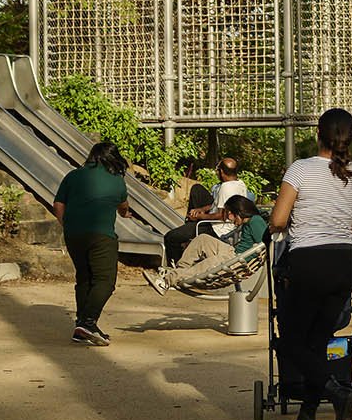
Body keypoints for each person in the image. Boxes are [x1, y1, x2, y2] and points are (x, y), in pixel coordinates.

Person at [268, 108, 352, 420]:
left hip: (308, 261)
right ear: (350, 139)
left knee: (291, 342)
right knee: (316, 344)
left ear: (318, 134)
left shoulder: (301, 170)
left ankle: (338, 392)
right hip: (341, 263)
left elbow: (279, 220)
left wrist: (279, 224)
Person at [54, 141, 134, 346]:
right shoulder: (116, 180)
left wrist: (67, 225)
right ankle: (88, 322)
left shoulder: (73, 175)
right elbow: (123, 207)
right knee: (105, 281)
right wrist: (125, 213)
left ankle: (81, 328)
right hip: (101, 235)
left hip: (73, 235)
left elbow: (58, 204)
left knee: (84, 279)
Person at [146, 197, 269, 294]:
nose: (229, 219)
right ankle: (180, 270)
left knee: (209, 263)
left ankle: (167, 281)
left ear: (238, 212)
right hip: (233, 253)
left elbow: (265, 245)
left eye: (229, 214)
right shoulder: (249, 222)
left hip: (238, 260)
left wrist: (248, 263)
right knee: (202, 240)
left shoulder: (256, 221)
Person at [163, 158, 250, 264]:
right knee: (197, 189)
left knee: (171, 237)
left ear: (221, 172)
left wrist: (199, 217)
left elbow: (221, 216)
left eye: (218, 170)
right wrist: (200, 210)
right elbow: (216, 204)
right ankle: (190, 227)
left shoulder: (226, 188)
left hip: (217, 228)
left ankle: (176, 267)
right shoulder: (240, 184)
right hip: (228, 223)